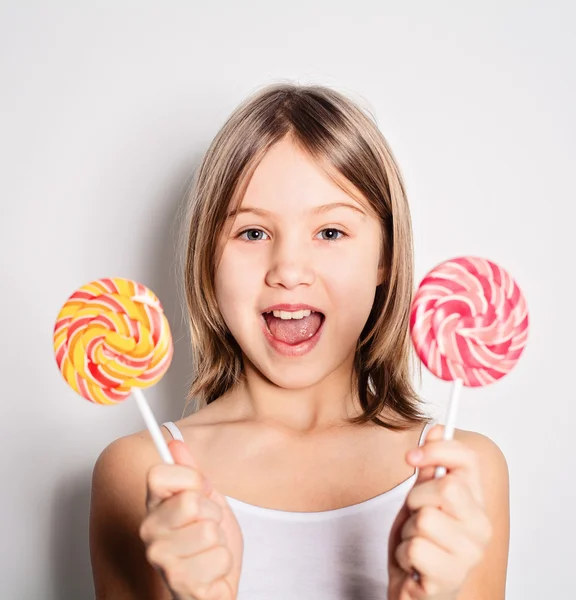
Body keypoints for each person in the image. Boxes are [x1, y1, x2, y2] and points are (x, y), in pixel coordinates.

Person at [89, 83, 510, 600]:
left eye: (331, 232)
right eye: (253, 233)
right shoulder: (143, 475)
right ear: (208, 259)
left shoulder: (458, 475)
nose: (288, 271)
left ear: (385, 257)